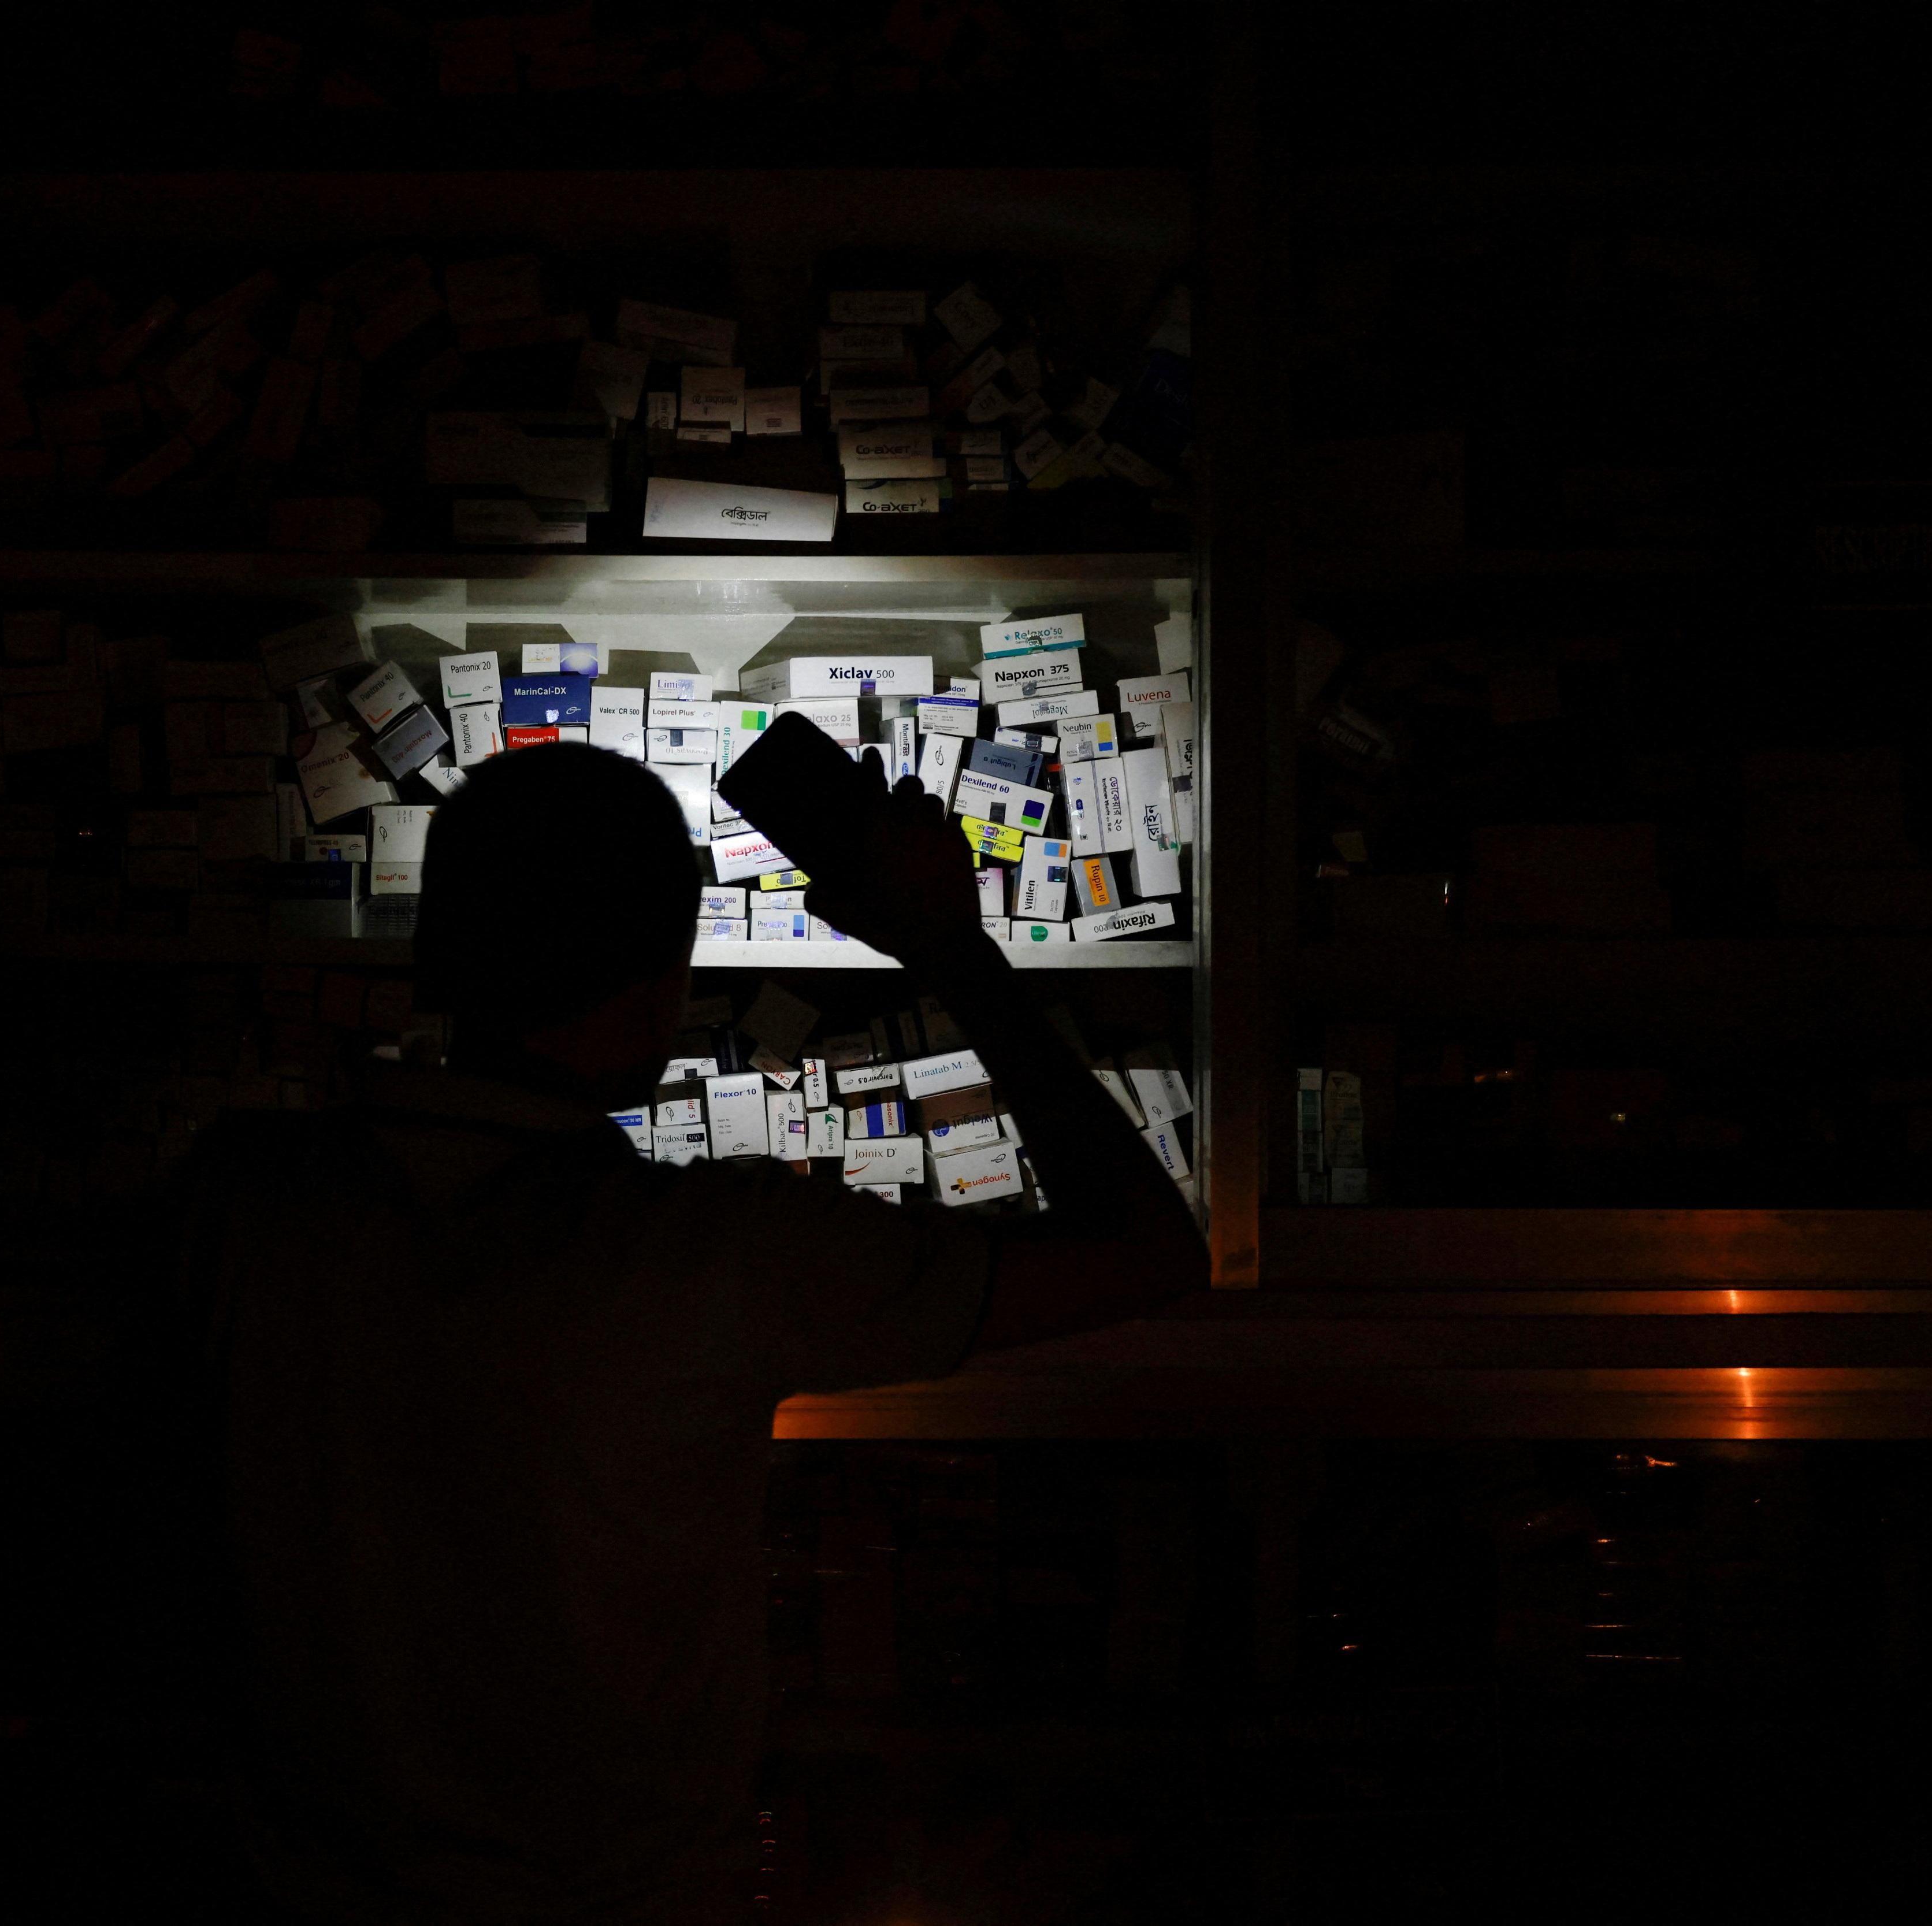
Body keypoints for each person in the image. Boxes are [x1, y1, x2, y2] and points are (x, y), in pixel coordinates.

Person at [161, 741, 1209, 1924]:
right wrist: (948, 946)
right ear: (664, 980)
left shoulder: (238, 1202)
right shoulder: (721, 1250)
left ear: (433, 952)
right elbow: (1151, 1251)